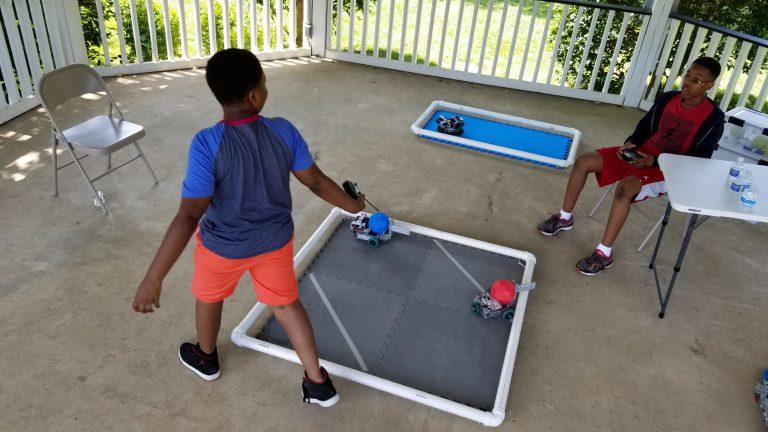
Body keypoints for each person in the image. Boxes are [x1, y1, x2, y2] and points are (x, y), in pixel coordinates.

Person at [132, 48, 365, 407]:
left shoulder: (206, 143)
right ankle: (317, 382)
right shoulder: (283, 131)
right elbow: (316, 182)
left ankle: (206, 357)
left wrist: (154, 276)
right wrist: (353, 205)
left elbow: (188, 216)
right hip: (274, 244)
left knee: (210, 298)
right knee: (286, 306)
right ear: (255, 95)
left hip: (221, 248)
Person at [537, 56, 725, 275]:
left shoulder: (714, 120)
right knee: (584, 161)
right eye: (687, 76)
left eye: (696, 80)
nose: (687, 83)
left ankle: (604, 254)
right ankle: (564, 218)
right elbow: (645, 127)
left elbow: (698, 162)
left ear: (709, 85)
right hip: (640, 153)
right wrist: (631, 142)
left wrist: (654, 161)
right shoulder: (668, 99)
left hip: (666, 169)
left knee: (624, 189)